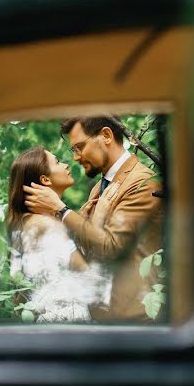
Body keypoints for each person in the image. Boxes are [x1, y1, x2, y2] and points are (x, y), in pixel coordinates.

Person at [23, 116, 163, 321]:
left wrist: (62, 210)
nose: (76, 158)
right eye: (73, 150)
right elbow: (87, 247)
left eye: (79, 147)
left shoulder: (142, 182)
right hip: (104, 317)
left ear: (106, 135)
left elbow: (111, 247)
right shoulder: (99, 188)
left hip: (135, 319)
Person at [7, 147, 110, 322]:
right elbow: (91, 281)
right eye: (57, 162)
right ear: (45, 179)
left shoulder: (29, 222)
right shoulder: (44, 225)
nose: (66, 164)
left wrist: (79, 222)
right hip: (66, 325)